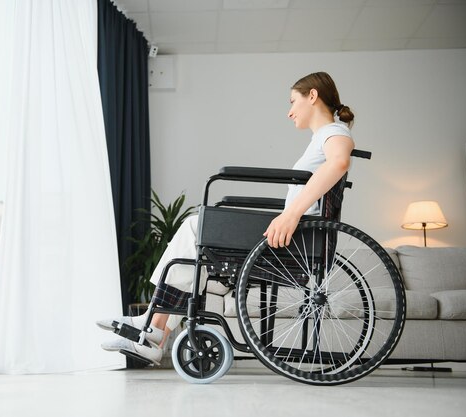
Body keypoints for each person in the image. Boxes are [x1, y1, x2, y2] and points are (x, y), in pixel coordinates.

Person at [97, 71, 356, 365]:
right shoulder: (323, 136)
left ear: (313, 95)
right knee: (199, 241)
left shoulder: (335, 133)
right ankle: (155, 332)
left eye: (293, 101)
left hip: (298, 236)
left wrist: (291, 215)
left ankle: (153, 327)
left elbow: (339, 162)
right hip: (296, 233)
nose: (289, 111)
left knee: (196, 225)